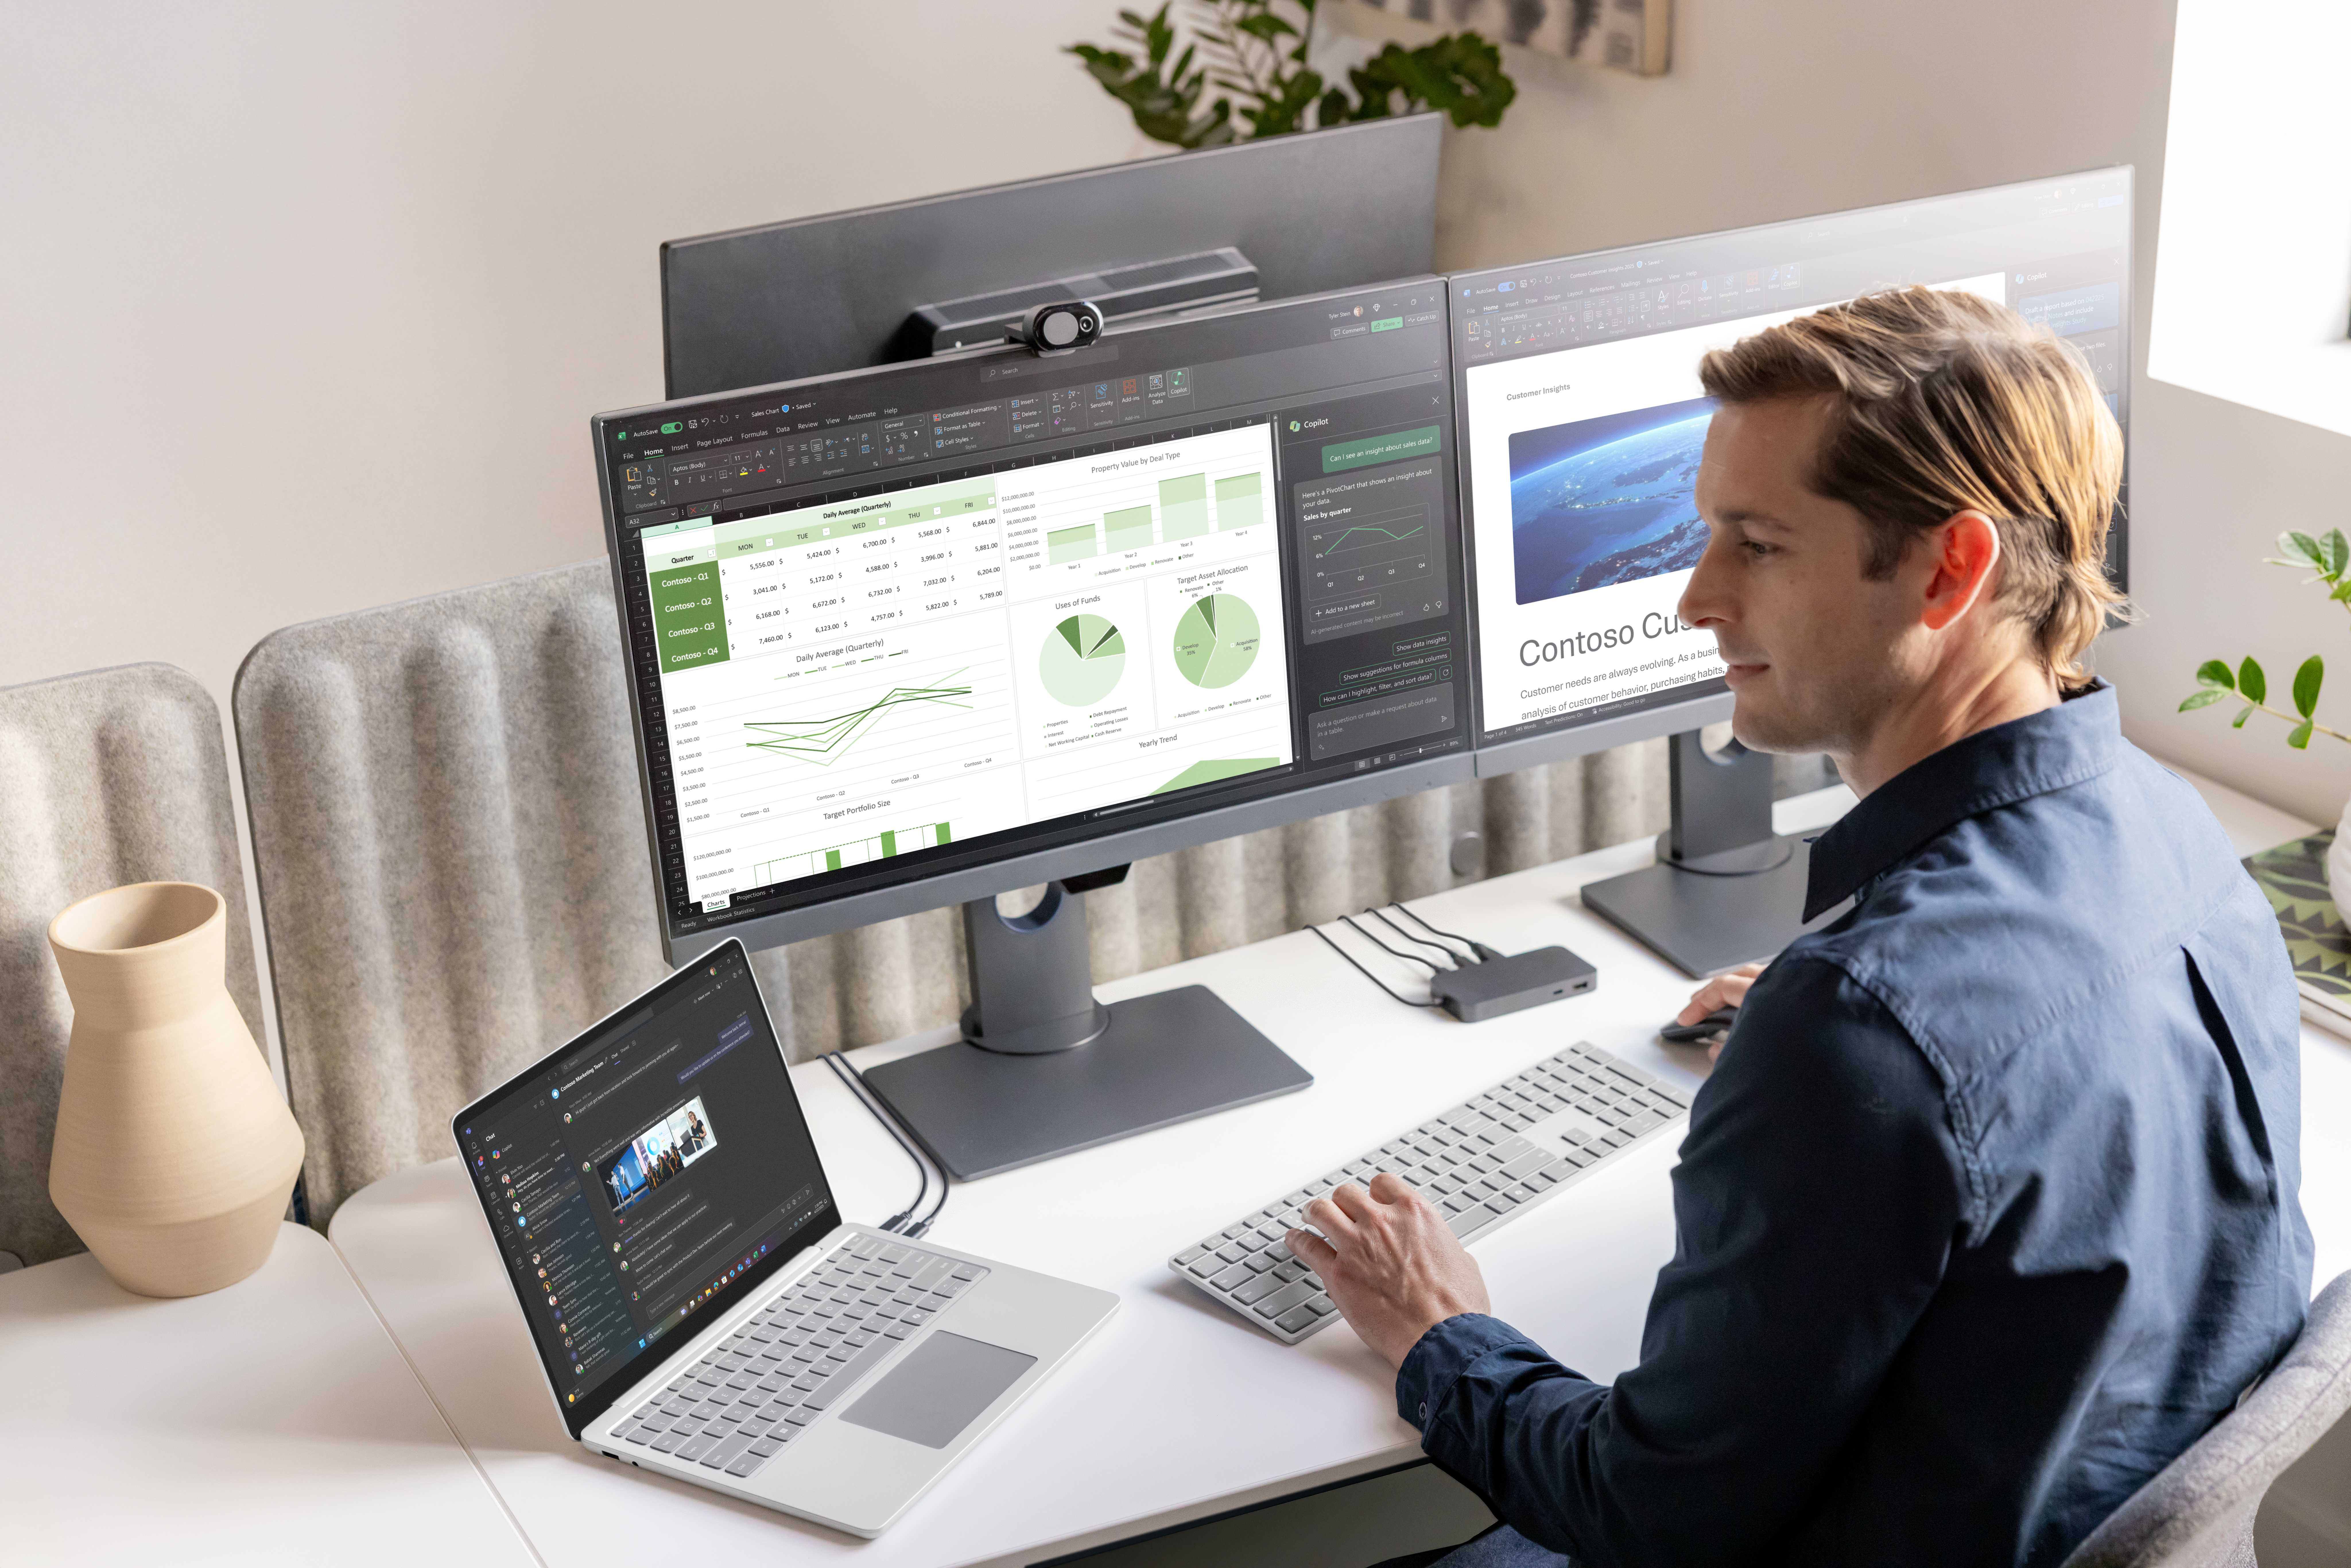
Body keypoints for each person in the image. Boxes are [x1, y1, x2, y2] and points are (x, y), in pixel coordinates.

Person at [1289, 287, 2312, 1567]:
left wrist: (1437, 1332)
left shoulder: (1863, 1029)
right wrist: (1854, 1050)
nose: (1694, 598)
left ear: (1949, 567)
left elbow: (1643, 1512)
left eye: (1756, 545)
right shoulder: (2173, 827)